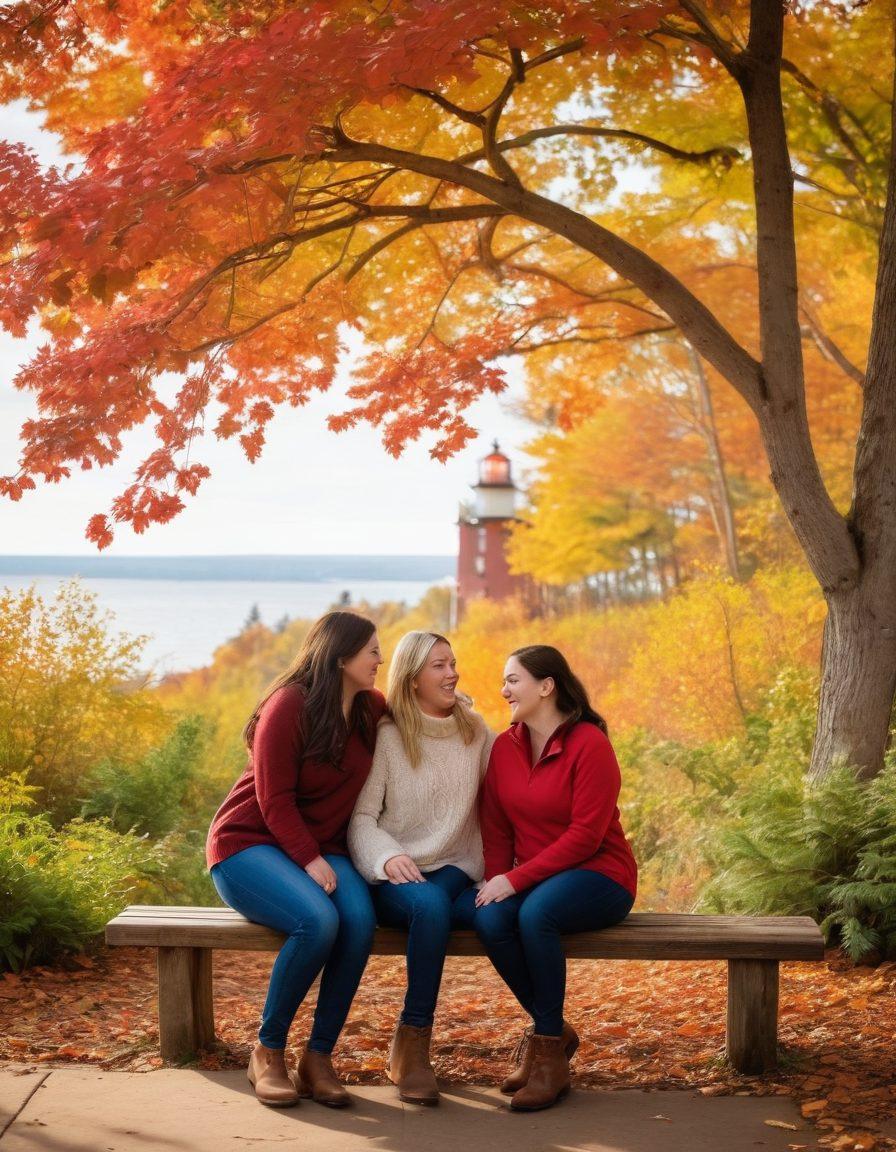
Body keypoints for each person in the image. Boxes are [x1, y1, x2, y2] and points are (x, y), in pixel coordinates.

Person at [205, 611, 386, 1109]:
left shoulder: (371, 709)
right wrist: (309, 859)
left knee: (359, 921)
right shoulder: (289, 704)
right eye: (372, 650)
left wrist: (458, 705)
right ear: (342, 654)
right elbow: (273, 799)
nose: (380, 659)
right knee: (316, 921)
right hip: (248, 844)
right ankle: (268, 1050)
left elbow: (422, 719)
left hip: (321, 847)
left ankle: (319, 1057)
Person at [468, 644, 637, 1113]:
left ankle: (547, 1058)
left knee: (536, 915)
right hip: (538, 877)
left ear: (546, 686)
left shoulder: (589, 744)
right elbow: (496, 826)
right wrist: (497, 879)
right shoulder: (505, 747)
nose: (503, 690)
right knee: (490, 919)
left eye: (513, 680)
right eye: (504, 680)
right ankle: (555, 1033)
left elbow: (585, 836)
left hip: (600, 874)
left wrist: (516, 880)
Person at [348, 631, 493, 1106]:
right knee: (430, 907)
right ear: (412, 679)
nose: (452, 674)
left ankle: (549, 1030)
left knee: (500, 917)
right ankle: (411, 1047)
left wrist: (504, 870)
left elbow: (500, 806)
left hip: (456, 868)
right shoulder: (389, 739)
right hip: (397, 874)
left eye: (453, 663)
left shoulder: (477, 732)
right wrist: (387, 856)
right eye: (439, 666)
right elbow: (363, 818)